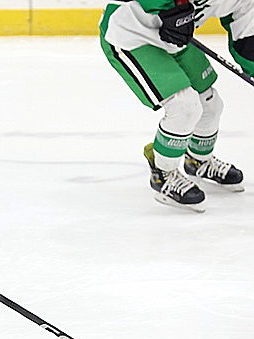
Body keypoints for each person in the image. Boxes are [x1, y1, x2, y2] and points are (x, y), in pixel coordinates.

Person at [100, 0, 253, 212]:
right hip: (131, 35)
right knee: (184, 107)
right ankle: (163, 174)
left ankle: (199, 161)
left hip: (175, 40)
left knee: (210, 103)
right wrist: (170, 6)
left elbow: (247, 34)